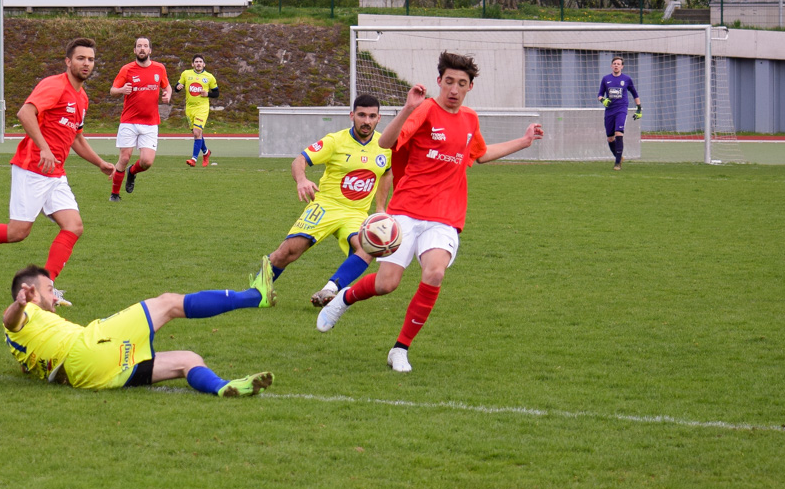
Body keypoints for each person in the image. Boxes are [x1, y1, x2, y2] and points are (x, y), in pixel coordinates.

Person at [316, 52, 543, 373]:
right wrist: (408, 107)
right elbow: (386, 143)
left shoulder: (470, 119)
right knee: (386, 284)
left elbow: (480, 154)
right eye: (449, 81)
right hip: (406, 210)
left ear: (470, 87)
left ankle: (400, 349)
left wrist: (524, 141)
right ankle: (345, 298)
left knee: (435, 273)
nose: (454, 89)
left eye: (461, 83)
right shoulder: (425, 110)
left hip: (446, 216)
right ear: (439, 81)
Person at [0, 38, 117, 282]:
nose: (86, 63)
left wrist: (100, 163)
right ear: (68, 61)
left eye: (91, 60)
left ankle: (46, 285)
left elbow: (76, 138)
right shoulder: (54, 85)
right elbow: (25, 112)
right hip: (32, 168)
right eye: (80, 58)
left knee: (74, 226)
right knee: (17, 232)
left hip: (55, 174)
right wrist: (44, 148)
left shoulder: (82, 98)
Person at [2, 259, 276, 396]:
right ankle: (255, 296)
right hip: (86, 349)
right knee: (168, 303)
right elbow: (10, 321)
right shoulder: (27, 312)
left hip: (92, 377)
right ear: (30, 294)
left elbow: (25, 350)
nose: (55, 296)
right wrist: (19, 303)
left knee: (188, 360)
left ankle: (223, 387)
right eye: (50, 289)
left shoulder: (24, 339)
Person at [260, 94, 393, 306]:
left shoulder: (385, 145)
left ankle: (329, 290)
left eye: (371, 116)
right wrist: (301, 180)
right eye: (361, 115)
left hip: (356, 213)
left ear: (379, 118)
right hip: (326, 205)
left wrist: (380, 208)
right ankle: (257, 289)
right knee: (288, 252)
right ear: (352, 116)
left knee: (368, 248)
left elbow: (386, 172)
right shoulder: (335, 141)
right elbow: (299, 160)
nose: (366, 121)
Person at [107, 36, 170, 201]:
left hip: (150, 123)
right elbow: (113, 90)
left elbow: (167, 86)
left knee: (147, 162)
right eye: (139, 46)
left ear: (150, 50)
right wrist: (121, 90)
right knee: (124, 157)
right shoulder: (127, 69)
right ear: (135, 50)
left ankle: (132, 171)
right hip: (129, 121)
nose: (142, 48)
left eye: (145, 46)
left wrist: (168, 94)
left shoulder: (159, 68)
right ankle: (114, 194)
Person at [598, 56, 641, 171]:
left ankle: (617, 163)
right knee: (610, 139)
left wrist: (639, 109)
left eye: (618, 64)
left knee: (619, 133)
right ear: (611, 66)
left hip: (621, 109)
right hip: (609, 111)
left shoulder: (626, 79)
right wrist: (603, 100)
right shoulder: (606, 79)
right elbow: (600, 95)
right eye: (614, 63)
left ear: (622, 66)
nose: (616, 65)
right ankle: (619, 157)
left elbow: (635, 94)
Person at [177, 55, 219, 167]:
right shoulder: (186, 74)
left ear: (204, 64)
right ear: (192, 64)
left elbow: (216, 93)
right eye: (196, 62)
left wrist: (208, 94)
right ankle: (206, 152)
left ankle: (194, 159)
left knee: (196, 133)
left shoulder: (209, 77)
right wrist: (178, 87)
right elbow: (177, 87)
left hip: (202, 108)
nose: (198, 63)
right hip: (190, 108)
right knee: (197, 134)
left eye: (200, 62)